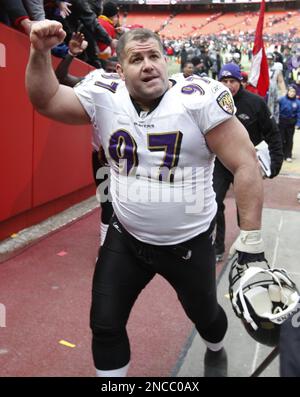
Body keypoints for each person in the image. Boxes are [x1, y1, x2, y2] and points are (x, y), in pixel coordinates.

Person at [26, 20, 266, 377]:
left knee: (207, 318)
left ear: (165, 60)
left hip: (189, 242)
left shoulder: (197, 99)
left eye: (154, 56)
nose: (149, 64)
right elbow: (45, 99)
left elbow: (245, 164)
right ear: (119, 70)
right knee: (104, 324)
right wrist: (39, 52)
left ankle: (216, 348)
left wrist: (251, 241)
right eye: (137, 60)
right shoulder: (104, 93)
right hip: (127, 237)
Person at [213, 63, 283, 262]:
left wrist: (276, 162)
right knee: (214, 203)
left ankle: (246, 244)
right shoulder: (212, 102)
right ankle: (218, 246)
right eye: (224, 81)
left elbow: (273, 133)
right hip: (219, 162)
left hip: (246, 164)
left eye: (232, 81)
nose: (229, 85)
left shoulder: (255, 103)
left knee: (245, 207)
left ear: (241, 81)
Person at [55, 31, 114, 245]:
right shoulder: (97, 83)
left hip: (130, 154)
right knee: (107, 202)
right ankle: (107, 247)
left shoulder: (136, 86)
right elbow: (61, 79)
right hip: (102, 155)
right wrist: (70, 53)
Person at [278, 85, 300, 162]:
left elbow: (298, 113)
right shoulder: (281, 100)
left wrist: (298, 123)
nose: (292, 93)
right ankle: (281, 154)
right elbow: (277, 110)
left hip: (291, 122)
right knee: (281, 138)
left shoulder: (297, 102)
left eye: (293, 92)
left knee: (289, 139)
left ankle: (288, 155)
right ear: (288, 91)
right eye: (290, 91)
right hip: (282, 121)